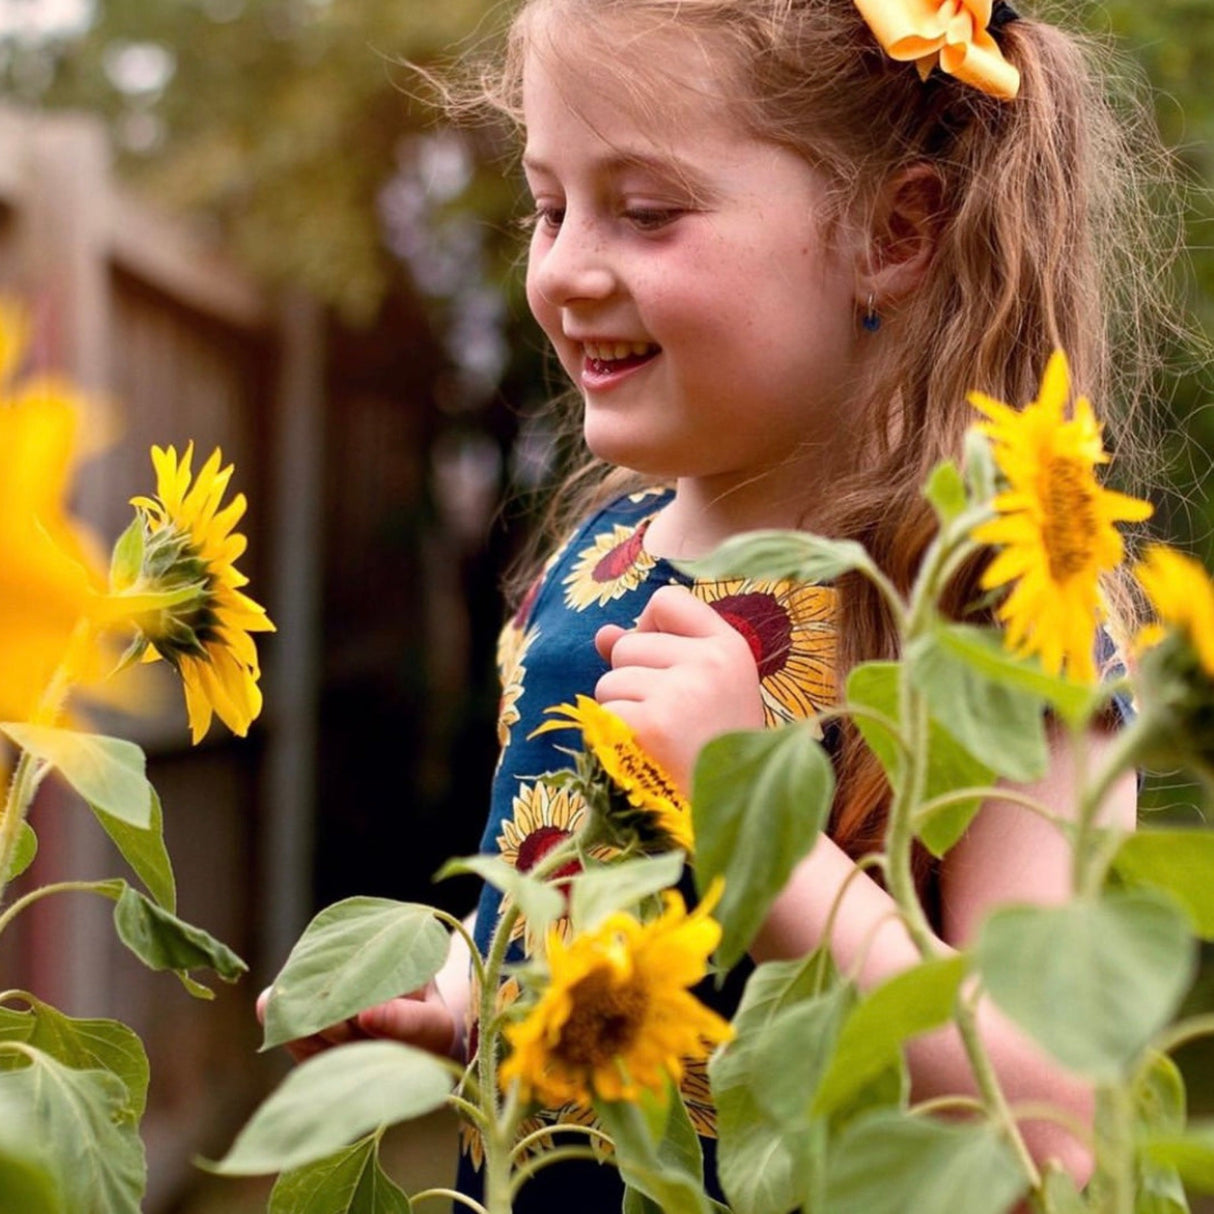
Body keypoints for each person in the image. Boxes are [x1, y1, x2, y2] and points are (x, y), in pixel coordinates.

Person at [264, 0, 1178, 1207]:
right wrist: (451, 997)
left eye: (644, 212)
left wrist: (757, 831)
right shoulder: (592, 565)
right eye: (548, 205)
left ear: (894, 231)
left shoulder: (993, 611)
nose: (566, 267)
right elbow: (576, 916)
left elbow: (1053, 1120)